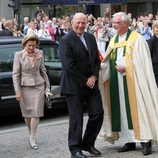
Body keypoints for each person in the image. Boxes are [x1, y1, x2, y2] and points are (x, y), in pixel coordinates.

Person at [99, 12, 158, 156]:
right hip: (117, 82)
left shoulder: (137, 39)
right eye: (113, 23)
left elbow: (143, 63)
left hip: (135, 82)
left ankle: (145, 141)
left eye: (116, 23)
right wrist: (100, 68)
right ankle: (129, 140)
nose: (113, 25)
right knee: (123, 111)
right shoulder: (113, 40)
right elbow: (108, 60)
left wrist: (126, 66)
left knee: (138, 109)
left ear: (125, 24)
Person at [59, 12, 104, 158]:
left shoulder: (90, 37)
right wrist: (85, 80)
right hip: (74, 85)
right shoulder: (66, 40)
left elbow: (97, 61)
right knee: (76, 118)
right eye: (78, 22)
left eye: (83, 23)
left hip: (91, 83)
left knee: (98, 113)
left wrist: (94, 76)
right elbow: (68, 66)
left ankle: (88, 144)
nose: (80, 25)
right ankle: (75, 149)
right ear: (72, 23)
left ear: (86, 23)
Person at [12, 34, 50, 150]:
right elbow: (15, 75)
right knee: (27, 114)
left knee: (36, 113)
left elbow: (43, 71)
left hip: (38, 86)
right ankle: (30, 134)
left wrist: (47, 87)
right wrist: (17, 91)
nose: (31, 48)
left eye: (33, 45)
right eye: (29, 46)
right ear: (24, 45)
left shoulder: (40, 53)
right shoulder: (18, 55)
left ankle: (32, 137)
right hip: (24, 87)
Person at [147, 20, 158, 86]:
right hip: (156, 69)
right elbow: (149, 56)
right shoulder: (151, 41)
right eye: (157, 27)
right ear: (153, 29)